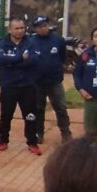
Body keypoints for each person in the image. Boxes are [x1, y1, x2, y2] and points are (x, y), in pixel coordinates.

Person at [0, 18, 40, 155]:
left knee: (30, 115)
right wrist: (21, 58)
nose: (20, 31)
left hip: (28, 86)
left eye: (22, 28)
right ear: (10, 29)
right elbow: (1, 60)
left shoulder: (32, 43)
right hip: (9, 86)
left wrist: (12, 62)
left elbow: (34, 61)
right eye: (17, 28)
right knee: (6, 115)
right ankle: (3, 140)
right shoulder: (2, 44)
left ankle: (32, 142)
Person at [30, 16, 73, 144]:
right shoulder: (31, 41)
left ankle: (65, 133)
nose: (42, 28)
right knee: (38, 108)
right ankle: (39, 133)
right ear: (35, 28)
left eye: (44, 25)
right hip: (37, 82)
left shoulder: (58, 40)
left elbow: (62, 57)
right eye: (39, 26)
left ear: (48, 25)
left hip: (55, 81)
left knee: (60, 107)